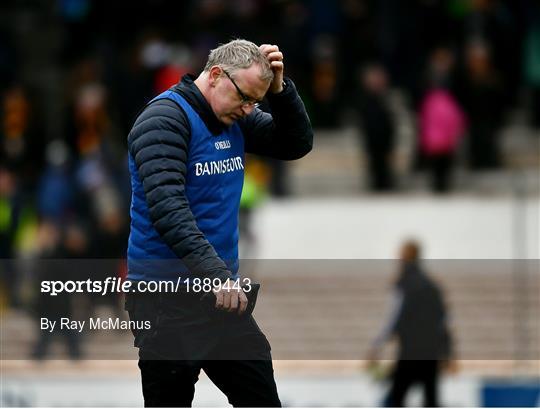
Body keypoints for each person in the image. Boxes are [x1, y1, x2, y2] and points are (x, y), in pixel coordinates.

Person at [125, 39, 313, 407]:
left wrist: (280, 91)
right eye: (244, 98)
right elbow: (169, 210)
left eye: (255, 103)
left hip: (221, 299)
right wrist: (216, 274)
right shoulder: (162, 121)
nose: (248, 110)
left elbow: (296, 143)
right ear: (215, 75)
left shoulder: (233, 115)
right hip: (166, 300)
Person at [367, 240, 454, 407]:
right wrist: (448, 353)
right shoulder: (432, 286)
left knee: (395, 399)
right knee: (431, 401)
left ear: (405, 257)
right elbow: (443, 321)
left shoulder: (404, 284)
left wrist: (377, 346)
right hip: (431, 353)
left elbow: (393, 318)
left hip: (410, 353)